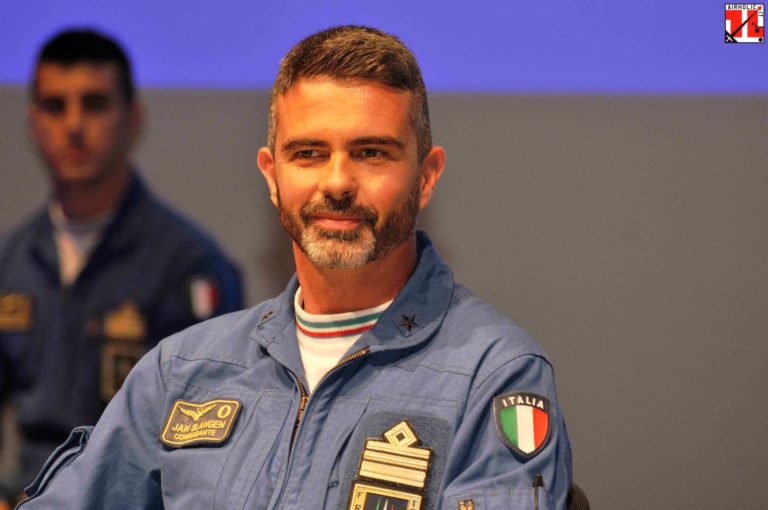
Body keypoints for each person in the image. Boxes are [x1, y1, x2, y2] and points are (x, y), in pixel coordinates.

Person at [18, 26, 571, 509]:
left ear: (426, 177)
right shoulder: (181, 371)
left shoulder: (493, 375)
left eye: (371, 152)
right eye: (308, 153)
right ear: (271, 175)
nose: (337, 182)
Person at [0, 29, 243, 505]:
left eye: (94, 104)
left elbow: (209, 449)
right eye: (55, 106)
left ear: (133, 120)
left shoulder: (190, 266)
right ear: (32, 124)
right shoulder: (11, 260)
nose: (73, 125)